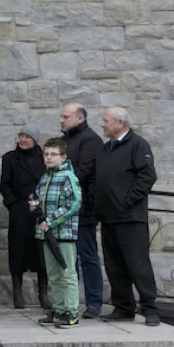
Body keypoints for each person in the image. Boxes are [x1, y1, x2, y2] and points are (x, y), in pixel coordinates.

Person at [96, 107, 160, 326]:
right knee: (114, 265)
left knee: (137, 264)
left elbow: (147, 175)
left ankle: (150, 308)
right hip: (108, 217)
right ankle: (124, 307)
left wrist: (128, 201)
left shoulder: (137, 144)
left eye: (106, 120)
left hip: (130, 218)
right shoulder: (107, 149)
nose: (102, 124)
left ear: (119, 123)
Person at [60, 102, 104, 318]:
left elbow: (85, 171)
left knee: (87, 256)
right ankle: (69, 302)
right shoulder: (64, 141)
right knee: (67, 258)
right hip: (64, 210)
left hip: (83, 209)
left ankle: (94, 302)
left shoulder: (91, 140)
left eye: (66, 116)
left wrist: (61, 184)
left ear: (80, 118)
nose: (61, 120)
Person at [0, 125, 50, 311]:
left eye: (27, 136)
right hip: (20, 211)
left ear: (35, 139)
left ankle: (43, 293)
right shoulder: (9, 158)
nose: (23, 140)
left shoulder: (44, 157)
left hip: (40, 211)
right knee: (18, 251)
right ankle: (17, 293)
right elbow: (5, 185)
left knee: (41, 252)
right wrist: (13, 205)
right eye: (21, 136)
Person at [32, 138, 82, 328]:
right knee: (53, 274)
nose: (49, 158)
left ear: (63, 156)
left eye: (53, 154)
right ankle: (59, 309)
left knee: (67, 272)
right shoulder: (44, 178)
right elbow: (38, 198)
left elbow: (74, 204)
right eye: (46, 154)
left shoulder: (68, 177)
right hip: (46, 234)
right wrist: (34, 205)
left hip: (64, 233)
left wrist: (50, 221)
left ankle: (71, 311)